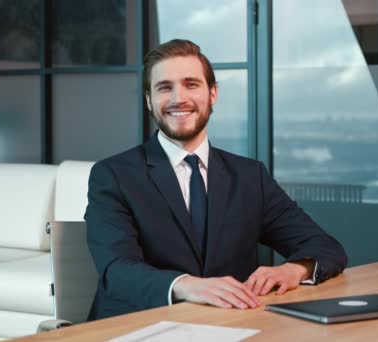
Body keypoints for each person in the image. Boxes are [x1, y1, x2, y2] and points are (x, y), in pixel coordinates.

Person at [85, 39, 347, 320]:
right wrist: (187, 286)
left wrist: (293, 270)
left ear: (212, 94)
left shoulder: (249, 176)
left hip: (230, 324)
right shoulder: (113, 175)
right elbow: (117, 270)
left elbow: (324, 246)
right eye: (164, 87)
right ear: (149, 100)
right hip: (140, 324)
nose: (178, 98)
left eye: (191, 84)